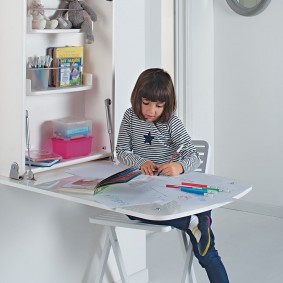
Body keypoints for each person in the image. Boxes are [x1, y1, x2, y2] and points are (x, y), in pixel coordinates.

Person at [116, 68, 229, 283]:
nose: (151, 111)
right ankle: (193, 222)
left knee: (206, 253)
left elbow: (193, 156)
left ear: (167, 105)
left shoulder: (171, 123)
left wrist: (179, 166)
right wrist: (142, 163)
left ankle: (196, 221)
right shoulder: (130, 117)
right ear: (137, 97)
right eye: (146, 103)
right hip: (149, 192)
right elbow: (121, 151)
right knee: (130, 212)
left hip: (177, 192)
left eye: (159, 106)